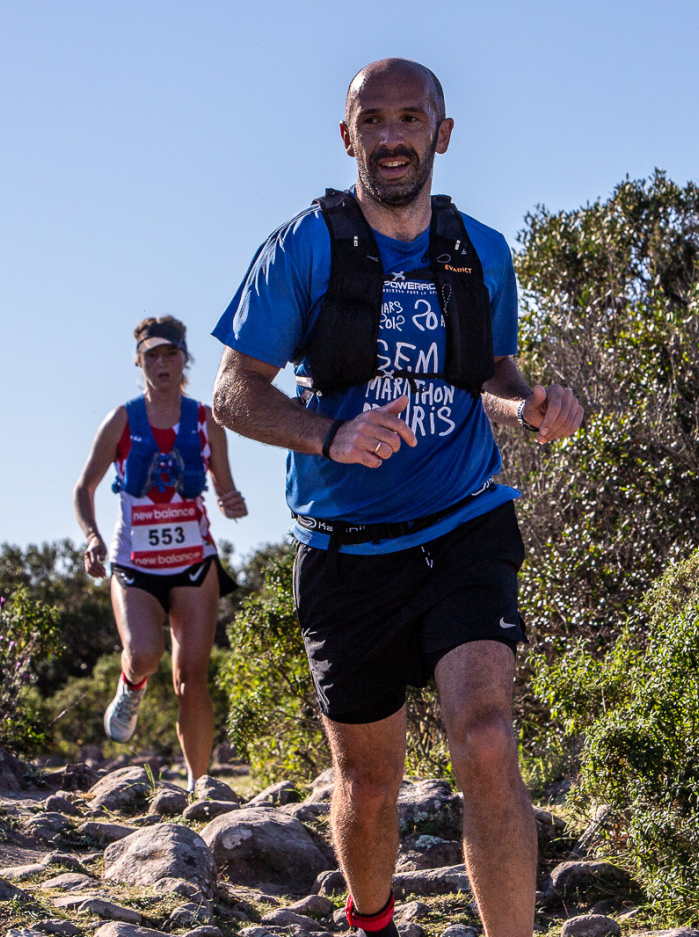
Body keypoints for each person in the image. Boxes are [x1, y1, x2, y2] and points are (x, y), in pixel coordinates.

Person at [210, 59, 584, 937]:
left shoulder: (480, 251)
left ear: (441, 134)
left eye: (409, 119)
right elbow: (232, 392)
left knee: (486, 738)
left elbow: (489, 372)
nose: (390, 137)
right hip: (346, 547)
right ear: (348, 136)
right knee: (370, 784)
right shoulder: (303, 249)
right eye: (372, 120)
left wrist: (528, 405)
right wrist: (329, 435)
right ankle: (371, 921)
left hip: (464, 524)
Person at [73, 316, 248, 784]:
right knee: (144, 653)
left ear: (184, 359)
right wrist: (92, 538)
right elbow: (83, 488)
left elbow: (224, 488)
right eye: (152, 355)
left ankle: (198, 785)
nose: (162, 363)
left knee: (191, 678)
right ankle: (130, 684)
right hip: (135, 565)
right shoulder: (121, 420)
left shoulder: (206, 421)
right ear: (140, 362)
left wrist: (231, 502)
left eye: (171, 354)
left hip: (194, 564)